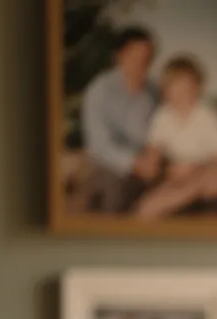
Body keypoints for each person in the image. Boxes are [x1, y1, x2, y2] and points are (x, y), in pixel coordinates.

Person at [133, 55, 217, 220]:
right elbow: (154, 150)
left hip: (206, 174)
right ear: (165, 91)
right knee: (147, 204)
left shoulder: (209, 115)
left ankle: (169, 201)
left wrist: (192, 168)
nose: (182, 93)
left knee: (215, 180)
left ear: (199, 88)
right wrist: (150, 162)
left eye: (188, 86)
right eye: (175, 87)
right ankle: (158, 204)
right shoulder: (162, 116)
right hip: (177, 175)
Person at [74, 26, 158, 214]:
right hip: (105, 163)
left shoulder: (154, 91)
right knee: (115, 187)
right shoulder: (100, 90)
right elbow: (99, 145)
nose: (141, 64)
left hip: (146, 163)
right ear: (119, 56)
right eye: (135, 57)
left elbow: (164, 129)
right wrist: (135, 164)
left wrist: (153, 157)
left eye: (147, 59)